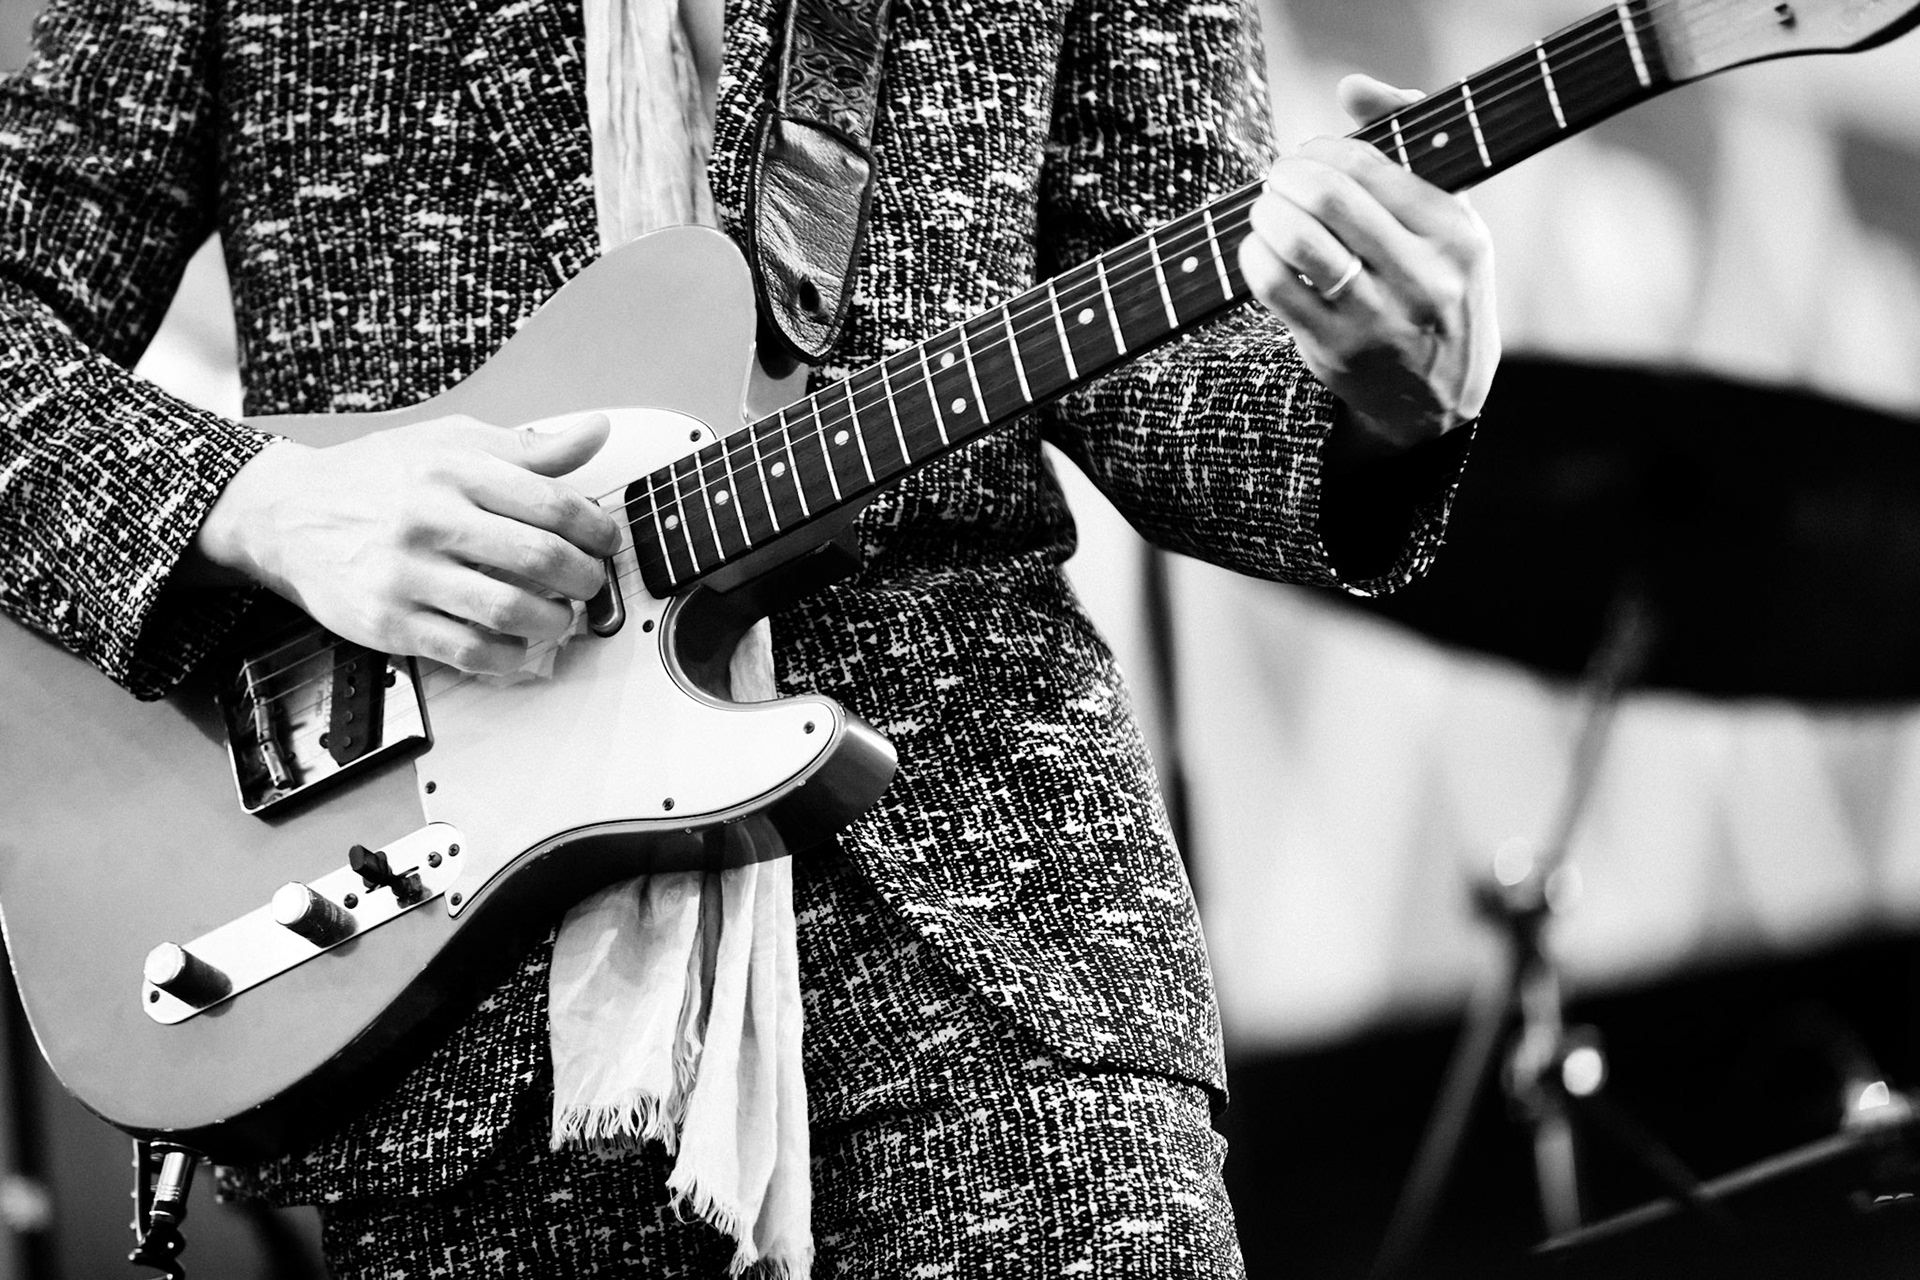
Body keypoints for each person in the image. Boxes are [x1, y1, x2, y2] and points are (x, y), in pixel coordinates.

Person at [0, 0, 1495, 1273]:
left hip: (974, 917)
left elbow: (1172, 367)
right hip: (439, 989)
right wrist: (264, 505)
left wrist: (1382, 398)